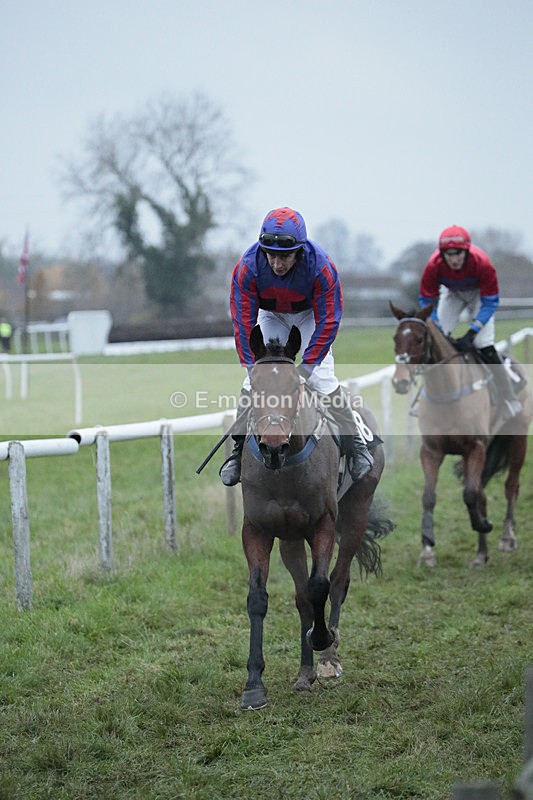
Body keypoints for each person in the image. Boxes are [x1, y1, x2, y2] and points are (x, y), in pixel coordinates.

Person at [219, 206, 374, 486]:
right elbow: (242, 322)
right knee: (250, 383)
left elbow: (329, 320)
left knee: (323, 379)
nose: (277, 264)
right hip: (271, 315)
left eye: (285, 256)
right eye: (271, 255)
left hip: (310, 315)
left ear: (300, 251)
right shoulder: (246, 268)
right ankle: (237, 452)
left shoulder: (322, 267)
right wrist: (252, 368)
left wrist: (306, 368)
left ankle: (356, 448)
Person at [419, 224, 522, 418]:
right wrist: (437, 326)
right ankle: (424, 398)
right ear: (442, 255)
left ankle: (508, 397)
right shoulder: (433, 265)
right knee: (436, 340)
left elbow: (491, 302)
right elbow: (426, 299)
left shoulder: (482, 262)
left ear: (466, 251)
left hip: (479, 295)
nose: (453, 259)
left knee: (482, 343)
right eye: (448, 254)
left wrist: (472, 331)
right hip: (451, 293)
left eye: (458, 254)